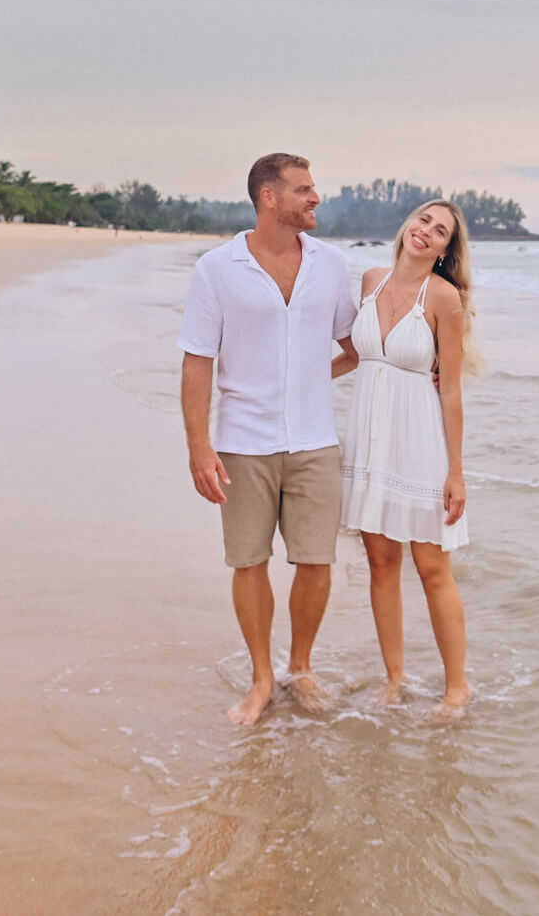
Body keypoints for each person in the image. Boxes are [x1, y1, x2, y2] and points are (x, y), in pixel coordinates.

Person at [179, 153, 359, 726]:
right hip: (242, 441)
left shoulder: (331, 265)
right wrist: (198, 446)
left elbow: (355, 347)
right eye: (304, 190)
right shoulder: (216, 268)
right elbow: (197, 362)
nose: (315, 199)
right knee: (249, 561)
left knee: (315, 561)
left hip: (314, 440)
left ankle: (299, 670)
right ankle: (261, 679)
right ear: (268, 197)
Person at [341, 198, 475, 721]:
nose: (426, 231)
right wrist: (293, 377)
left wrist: (456, 471)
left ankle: (457, 687)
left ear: (445, 250)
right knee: (380, 562)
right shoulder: (370, 279)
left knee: (431, 567)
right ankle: (394, 679)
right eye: (424, 219)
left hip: (420, 444)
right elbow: (356, 357)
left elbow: (452, 390)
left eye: (440, 231)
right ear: (408, 224)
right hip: (370, 441)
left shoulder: (443, 298)